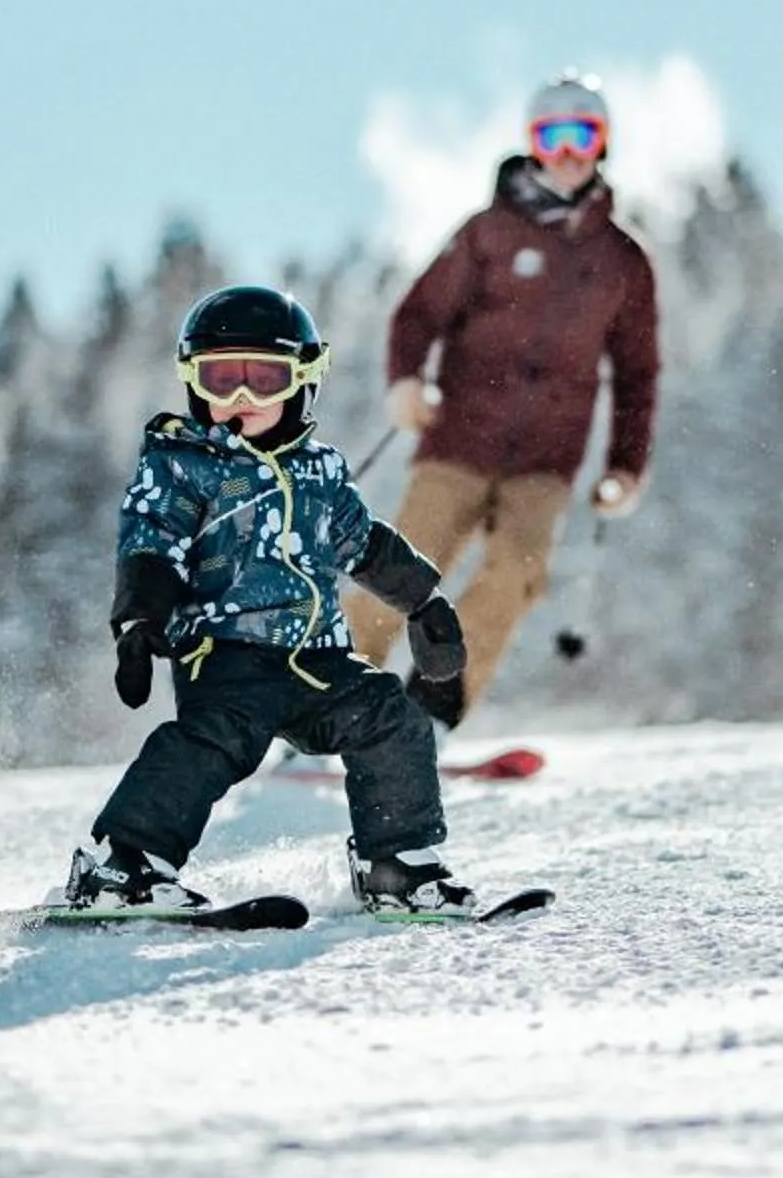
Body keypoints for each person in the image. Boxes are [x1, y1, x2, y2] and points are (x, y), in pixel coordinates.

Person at [60, 285, 479, 916]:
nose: (242, 399)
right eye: (222, 378)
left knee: (392, 717)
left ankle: (397, 865)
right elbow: (153, 542)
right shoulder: (183, 465)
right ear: (193, 381)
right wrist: (139, 619)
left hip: (316, 658)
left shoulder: (321, 474)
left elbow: (364, 545)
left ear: (303, 381)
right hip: (224, 654)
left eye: (264, 378)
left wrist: (424, 602)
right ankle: (124, 865)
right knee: (212, 741)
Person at [342, 70, 661, 727]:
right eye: (552, 135)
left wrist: (625, 467)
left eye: (584, 135)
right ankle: (338, 698)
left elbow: (637, 373)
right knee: (404, 567)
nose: (568, 151)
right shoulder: (488, 233)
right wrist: (406, 382)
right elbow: (417, 314)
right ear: (532, 144)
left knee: (519, 573)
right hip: (458, 437)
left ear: (603, 145)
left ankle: (429, 709)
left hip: (548, 458)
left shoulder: (622, 262)